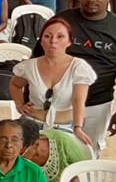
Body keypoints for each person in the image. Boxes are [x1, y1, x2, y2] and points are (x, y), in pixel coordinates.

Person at [33, 0, 116, 154]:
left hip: (97, 105)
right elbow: (37, 58)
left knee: (88, 153)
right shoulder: (61, 21)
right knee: (50, 153)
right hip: (59, 103)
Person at [10, 17, 95, 146]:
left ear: (69, 41)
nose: (53, 41)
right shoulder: (29, 66)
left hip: (64, 128)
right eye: (47, 36)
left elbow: (78, 100)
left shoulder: (78, 67)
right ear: (41, 41)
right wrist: (19, 104)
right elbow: (15, 84)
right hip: (31, 124)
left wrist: (78, 127)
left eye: (60, 36)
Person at [17, 118, 89, 182]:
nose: (14, 153)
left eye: (20, 152)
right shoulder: (14, 158)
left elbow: (83, 168)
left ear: (36, 144)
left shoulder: (62, 142)